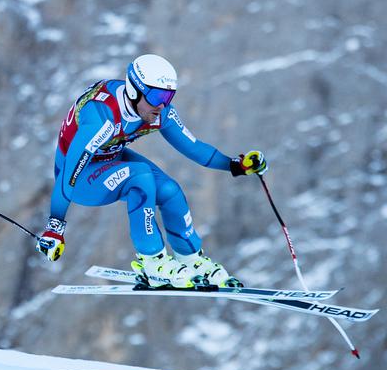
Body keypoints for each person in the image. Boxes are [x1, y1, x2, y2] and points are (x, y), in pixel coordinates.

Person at [37, 54, 267, 288]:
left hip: (110, 157)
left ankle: (190, 258)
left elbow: (194, 146)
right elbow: (68, 173)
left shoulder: (158, 112)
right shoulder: (101, 118)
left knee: (169, 190)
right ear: (135, 91)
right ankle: (152, 262)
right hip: (80, 180)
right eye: (157, 96)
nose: (162, 105)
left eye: (169, 97)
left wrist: (234, 165)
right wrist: (55, 227)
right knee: (140, 175)